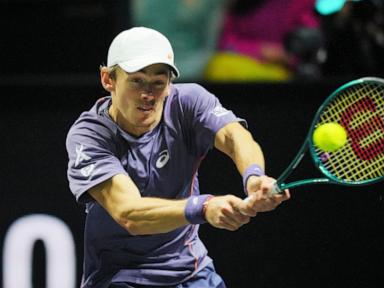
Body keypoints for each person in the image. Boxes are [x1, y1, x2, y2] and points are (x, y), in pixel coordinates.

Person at [66, 27, 290, 288]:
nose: (148, 95)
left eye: (158, 83)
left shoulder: (189, 102)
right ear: (108, 80)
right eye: (136, 81)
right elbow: (130, 214)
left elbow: (234, 137)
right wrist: (203, 207)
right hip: (121, 278)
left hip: (192, 272)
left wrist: (254, 176)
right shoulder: (89, 136)